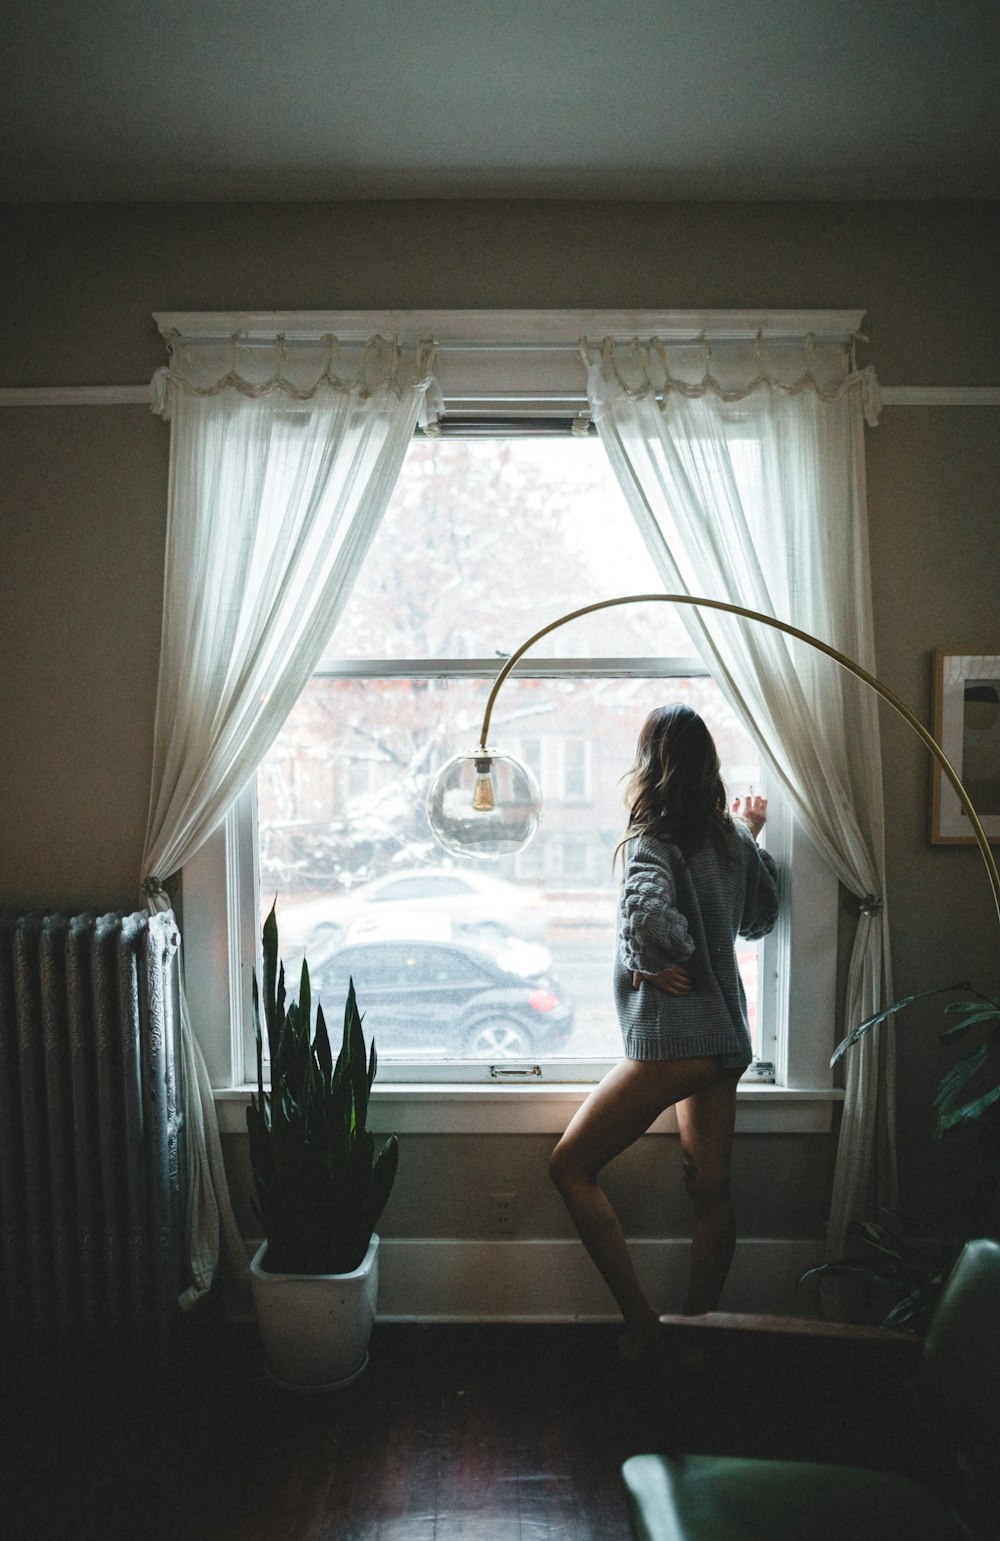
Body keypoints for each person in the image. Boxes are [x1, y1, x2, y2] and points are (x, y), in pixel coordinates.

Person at [549, 703, 779, 1361]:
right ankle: (701, 1333)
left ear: (652, 765)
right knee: (710, 1190)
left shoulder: (652, 840)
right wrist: (752, 838)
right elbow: (760, 917)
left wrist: (660, 957)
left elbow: (646, 919)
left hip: (676, 1046)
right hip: (725, 1045)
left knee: (568, 1166)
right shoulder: (733, 838)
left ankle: (645, 1324)